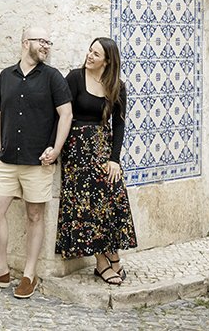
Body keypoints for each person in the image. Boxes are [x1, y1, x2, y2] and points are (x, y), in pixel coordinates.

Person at [0, 26, 72, 300]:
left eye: (49, 42)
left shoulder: (52, 78)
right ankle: (0, 269)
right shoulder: (6, 76)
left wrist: (56, 149)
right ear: (26, 42)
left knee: (34, 215)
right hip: (8, 160)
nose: (46, 46)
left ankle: (28, 274)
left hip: (38, 161)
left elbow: (66, 115)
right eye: (42, 41)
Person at [55, 36, 138, 282]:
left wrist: (115, 160)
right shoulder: (74, 78)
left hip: (102, 147)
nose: (90, 56)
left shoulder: (117, 86)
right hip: (77, 150)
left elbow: (119, 125)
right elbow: (63, 114)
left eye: (96, 54)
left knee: (113, 194)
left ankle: (113, 254)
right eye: (90, 51)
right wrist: (55, 147)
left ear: (107, 61)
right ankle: (102, 262)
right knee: (91, 201)